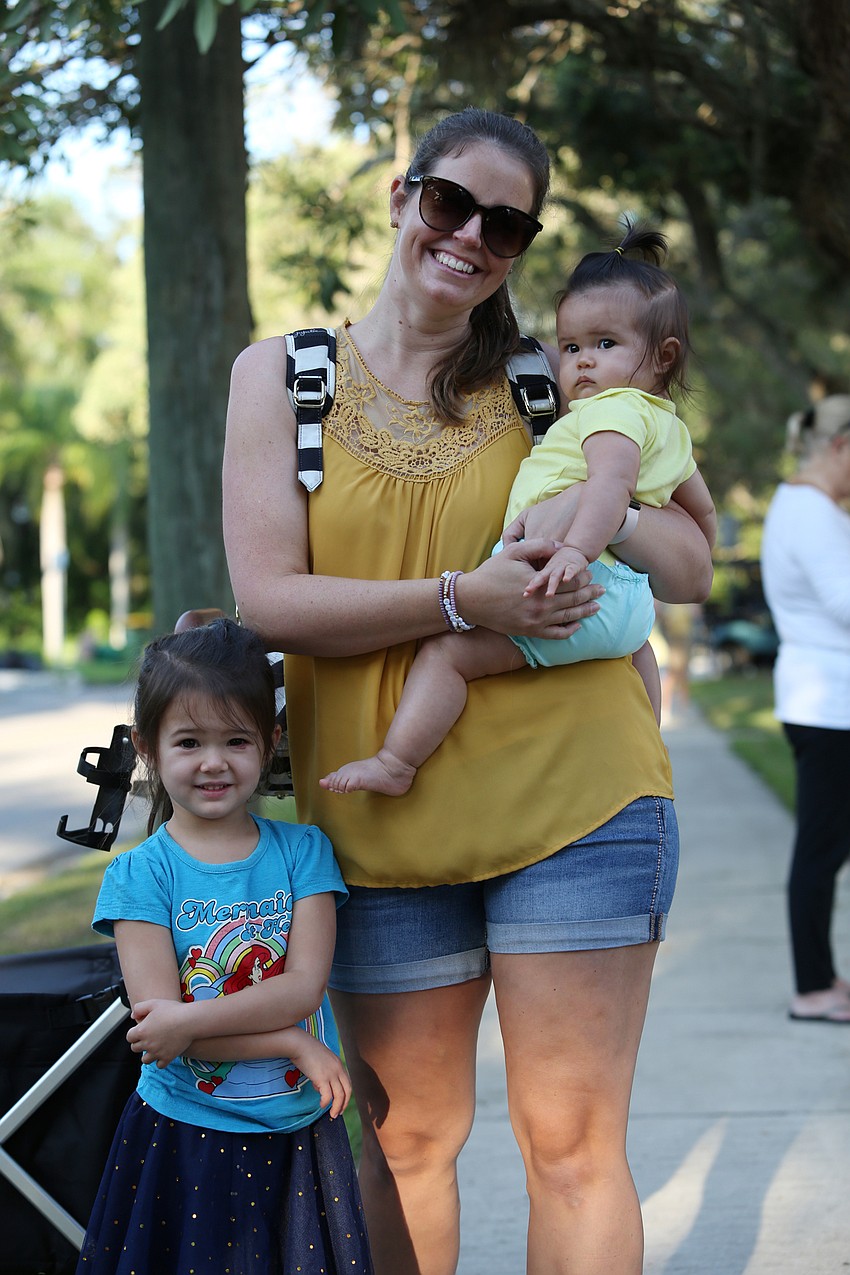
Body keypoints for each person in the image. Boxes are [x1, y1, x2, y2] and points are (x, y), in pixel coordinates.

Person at [223, 107, 713, 1275]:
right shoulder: (281, 377)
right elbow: (270, 605)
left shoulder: (565, 380)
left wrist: (603, 512)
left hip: (578, 805)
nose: (469, 236)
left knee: (572, 1142)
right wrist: (463, 600)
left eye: (505, 223)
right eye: (450, 202)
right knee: (405, 1141)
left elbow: (692, 558)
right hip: (381, 821)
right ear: (402, 195)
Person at [319, 222, 716, 795]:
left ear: (663, 355)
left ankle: (396, 763)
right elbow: (700, 518)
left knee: (449, 655)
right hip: (624, 603)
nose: (580, 363)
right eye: (573, 346)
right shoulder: (668, 426)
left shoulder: (610, 415)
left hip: (573, 583)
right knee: (636, 654)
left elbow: (608, 486)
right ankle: (650, 757)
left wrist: (576, 551)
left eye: (605, 345)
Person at [76, 619, 373, 1275]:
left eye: (236, 739)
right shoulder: (139, 876)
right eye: (189, 741)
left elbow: (303, 987)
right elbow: (161, 1031)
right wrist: (292, 1041)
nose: (214, 760)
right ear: (150, 749)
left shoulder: (304, 853)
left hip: (297, 1131)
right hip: (185, 1134)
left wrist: (191, 1020)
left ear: (269, 743)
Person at [761, 394, 850, 1025]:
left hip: (825, 699)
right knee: (822, 848)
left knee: (828, 845)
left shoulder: (805, 506)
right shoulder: (812, 512)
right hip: (829, 704)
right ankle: (813, 988)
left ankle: (822, 979)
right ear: (841, 447)